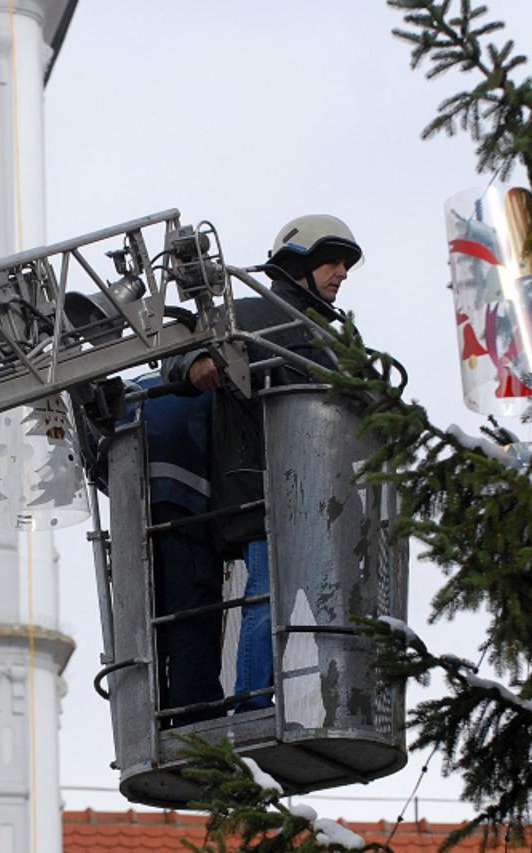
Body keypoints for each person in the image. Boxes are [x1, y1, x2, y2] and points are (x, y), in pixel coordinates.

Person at [165, 214, 364, 712]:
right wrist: (195, 365)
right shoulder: (249, 312)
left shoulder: (333, 339)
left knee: (316, 602)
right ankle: (254, 703)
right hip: (261, 484)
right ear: (299, 264)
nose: (341, 273)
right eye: (332, 262)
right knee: (267, 596)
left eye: (345, 266)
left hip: (317, 493)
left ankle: (314, 702)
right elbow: (178, 352)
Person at [129, 373, 225, 728]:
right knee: (192, 624)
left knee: (149, 631)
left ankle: (151, 720)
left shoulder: (136, 391)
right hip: (187, 516)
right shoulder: (211, 386)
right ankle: (197, 724)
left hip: (134, 526)